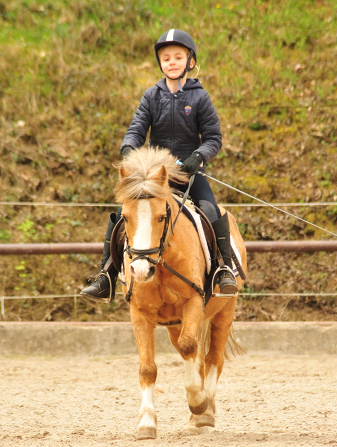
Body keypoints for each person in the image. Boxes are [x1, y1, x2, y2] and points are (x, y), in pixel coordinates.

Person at [80, 29, 238, 302]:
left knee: (211, 209)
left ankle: (223, 269)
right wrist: (129, 148)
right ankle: (105, 274)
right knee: (121, 214)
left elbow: (213, 138)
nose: (172, 62)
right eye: (166, 58)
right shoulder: (151, 96)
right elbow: (136, 129)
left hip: (188, 173)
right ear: (160, 63)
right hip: (154, 176)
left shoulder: (200, 98)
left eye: (178, 57)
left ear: (190, 61)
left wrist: (198, 157)